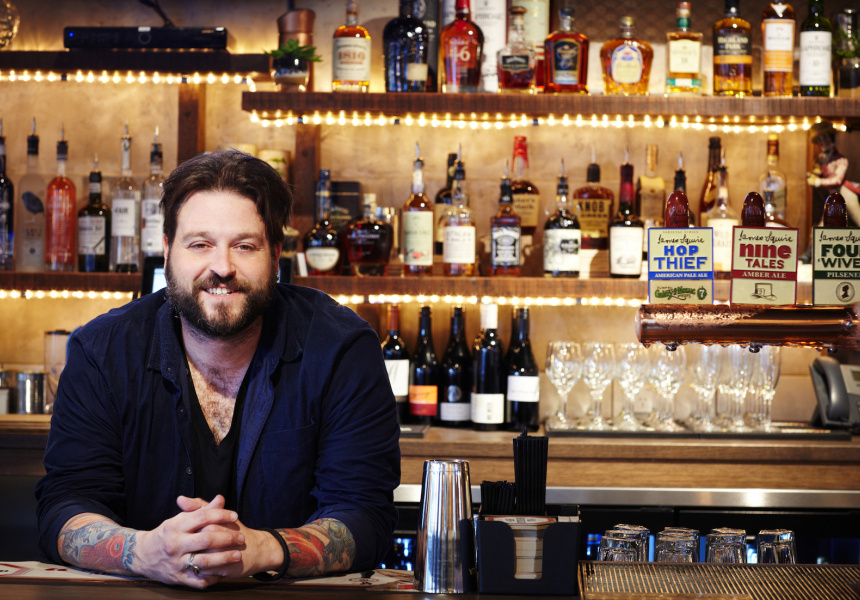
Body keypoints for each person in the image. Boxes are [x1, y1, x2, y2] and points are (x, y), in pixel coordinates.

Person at [35, 150, 401, 589]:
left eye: (245, 246)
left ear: (276, 255)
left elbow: (365, 517)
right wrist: (144, 551)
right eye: (200, 244)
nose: (222, 267)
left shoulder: (341, 349)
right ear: (167, 251)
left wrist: (260, 549)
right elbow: (66, 507)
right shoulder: (102, 352)